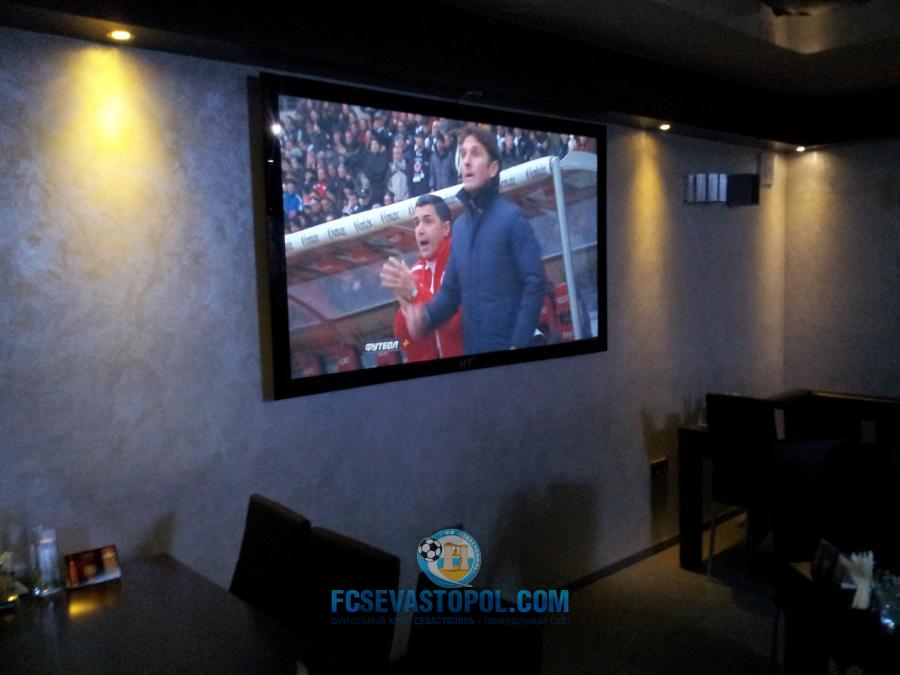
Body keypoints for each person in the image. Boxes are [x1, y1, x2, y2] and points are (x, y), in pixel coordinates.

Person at [384, 126, 545, 354]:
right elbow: (451, 294)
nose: (466, 161)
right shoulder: (460, 228)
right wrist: (424, 316)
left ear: (493, 168)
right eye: (463, 154)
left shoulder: (512, 218)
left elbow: (535, 282)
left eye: (475, 153)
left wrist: (518, 343)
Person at [381, 194, 463, 362]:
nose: (420, 230)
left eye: (428, 221)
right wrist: (405, 306)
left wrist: (415, 293)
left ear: (446, 228)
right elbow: (404, 341)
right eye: (417, 223)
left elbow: (456, 326)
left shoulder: (461, 261)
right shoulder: (415, 271)